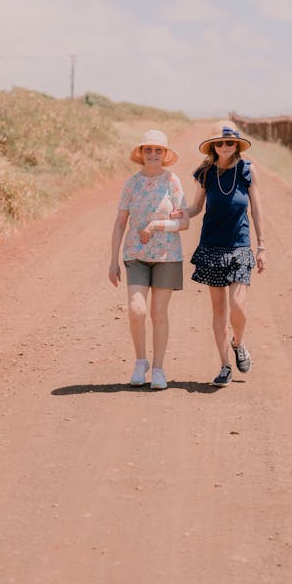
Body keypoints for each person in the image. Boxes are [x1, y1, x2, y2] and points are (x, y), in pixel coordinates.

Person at [186, 121, 265, 387]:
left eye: (229, 142)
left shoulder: (247, 169)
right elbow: (196, 207)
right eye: (219, 143)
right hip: (211, 246)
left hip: (240, 246)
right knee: (219, 310)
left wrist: (262, 245)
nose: (224, 146)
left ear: (237, 145)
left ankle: (238, 342)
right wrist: (180, 213)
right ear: (212, 147)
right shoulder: (205, 172)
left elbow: (255, 209)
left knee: (238, 307)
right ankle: (224, 365)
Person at [109, 129, 188, 390]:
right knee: (137, 310)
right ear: (141, 153)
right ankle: (140, 361)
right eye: (148, 150)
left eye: (158, 150)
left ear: (165, 155)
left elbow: (184, 222)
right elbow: (121, 222)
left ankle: (158, 369)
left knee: (159, 314)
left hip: (167, 256)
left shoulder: (173, 181)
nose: (153, 154)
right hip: (136, 255)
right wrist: (113, 260)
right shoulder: (131, 184)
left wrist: (157, 225)